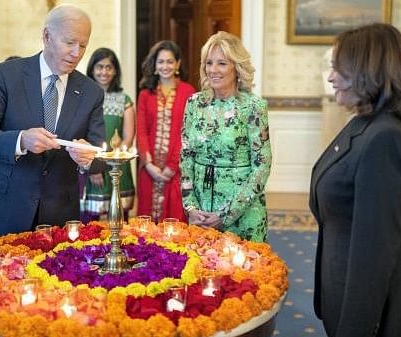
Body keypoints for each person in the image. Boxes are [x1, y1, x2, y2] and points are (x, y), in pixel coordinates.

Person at [309, 23, 401, 337]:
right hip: (344, 290)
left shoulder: (385, 138)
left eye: (339, 68)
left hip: (379, 313)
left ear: (369, 71)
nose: (330, 77)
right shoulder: (364, 124)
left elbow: (373, 255)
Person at [0, 4, 105, 242]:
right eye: (69, 43)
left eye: (83, 45)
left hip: (58, 216)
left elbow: (100, 156)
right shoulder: (7, 75)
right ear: (47, 36)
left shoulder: (91, 92)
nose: (76, 53)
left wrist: (88, 159)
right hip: (4, 207)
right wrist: (20, 140)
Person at [180, 31, 271, 241]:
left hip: (243, 213)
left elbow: (262, 166)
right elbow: (186, 158)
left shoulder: (253, 106)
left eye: (221, 63)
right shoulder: (194, 103)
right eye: (209, 63)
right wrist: (191, 207)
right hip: (201, 212)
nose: (213, 70)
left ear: (237, 67)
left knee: (243, 272)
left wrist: (227, 214)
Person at [136, 40, 195, 223]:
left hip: (176, 171)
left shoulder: (189, 92)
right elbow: (141, 131)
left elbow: (187, 133)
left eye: (170, 61)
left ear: (177, 64)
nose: (165, 66)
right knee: (147, 224)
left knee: (175, 222)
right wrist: (148, 164)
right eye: (160, 62)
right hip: (149, 170)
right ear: (154, 65)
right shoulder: (146, 94)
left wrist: (172, 166)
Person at [80, 47, 135, 222]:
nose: (104, 72)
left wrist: (116, 161)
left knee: (119, 218)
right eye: (99, 67)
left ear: (115, 70)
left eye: (109, 67)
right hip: (91, 163)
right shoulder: (83, 97)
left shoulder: (123, 99)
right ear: (92, 69)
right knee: (90, 221)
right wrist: (95, 165)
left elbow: (128, 136)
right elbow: (81, 132)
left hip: (118, 164)